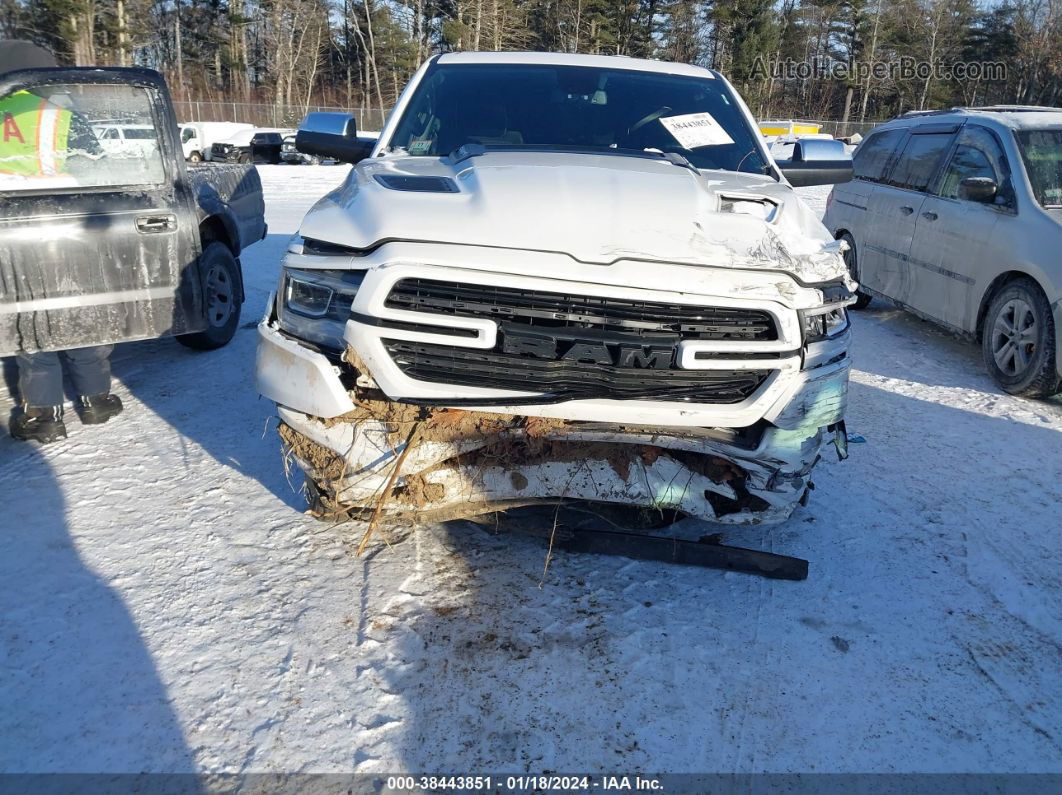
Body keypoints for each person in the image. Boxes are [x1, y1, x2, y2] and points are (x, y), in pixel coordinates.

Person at [1, 40, 123, 444]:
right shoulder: (60, 116)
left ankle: (43, 416)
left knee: (31, 325)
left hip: (12, 238)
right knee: (80, 315)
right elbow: (99, 173)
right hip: (68, 233)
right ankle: (95, 401)